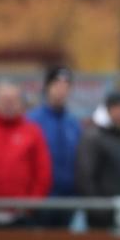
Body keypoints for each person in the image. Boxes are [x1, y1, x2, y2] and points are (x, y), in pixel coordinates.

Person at [0, 81, 52, 226]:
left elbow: (43, 173)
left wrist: (31, 204)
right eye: (4, 99)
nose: (8, 104)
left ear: (20, 103)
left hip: (21, 216)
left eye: (13, 100)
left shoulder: (33, 132)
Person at [76, 91, 120, 228]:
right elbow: (85, 176)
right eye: (117, 107)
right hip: (101, 216)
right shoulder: (93, 137)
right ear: (108, 110)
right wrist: (98, 208)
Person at [27, 65, 82, 226]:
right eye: (56, 85)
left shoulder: (73, 123)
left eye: (66, 86)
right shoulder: (32, 121)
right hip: (41, 200)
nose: (61, 90)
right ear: (47, 87)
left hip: (68, 200)